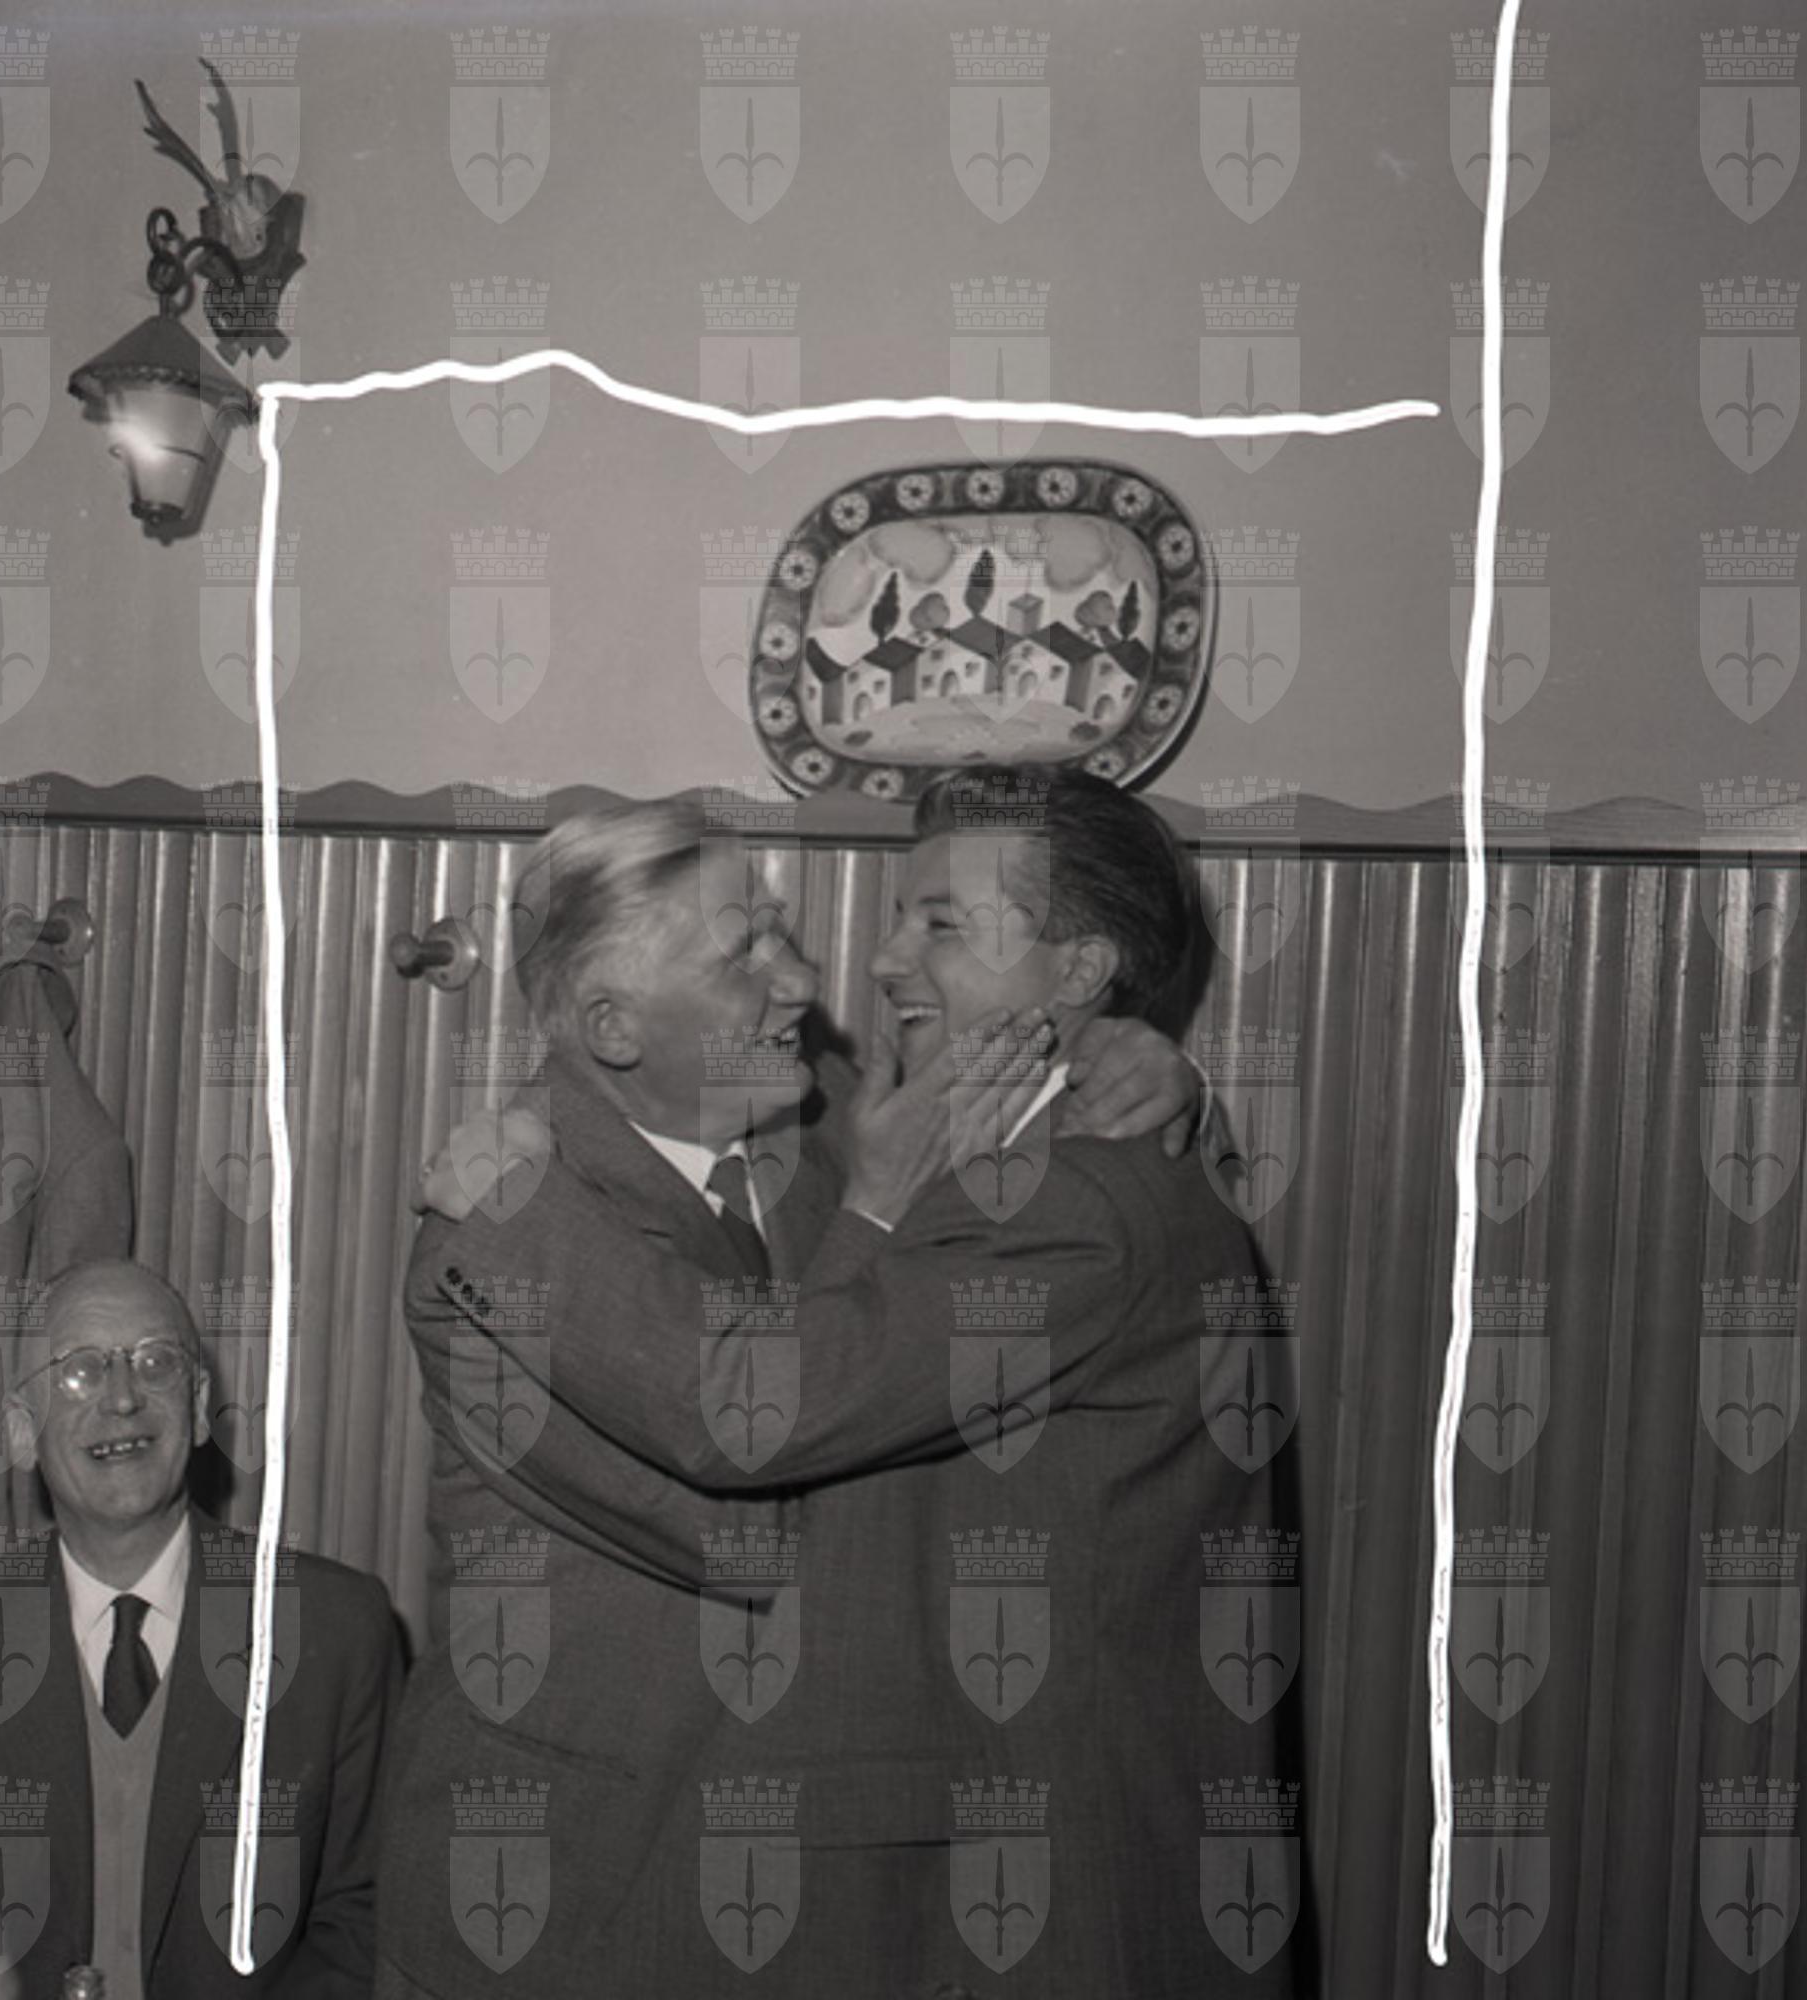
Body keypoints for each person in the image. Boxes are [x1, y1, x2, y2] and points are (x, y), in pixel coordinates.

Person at [378, 782, 1211, 1998]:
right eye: (745, 953)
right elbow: (758, 1523)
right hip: (571, 1894)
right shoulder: (493, 1250)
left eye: (782, 931)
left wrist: (1126, 1050)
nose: (810, 983)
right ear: (616, 1027)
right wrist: (872, 1212)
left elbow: (1041, 1130)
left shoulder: (828, 1123)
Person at [0, 1261, 403, 1998]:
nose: (124, 1397)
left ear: (197, 1408)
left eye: (155, 1362)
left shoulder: (339, 1632)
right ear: (19, 1431)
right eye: (80, 1371)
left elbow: (369, 1915)